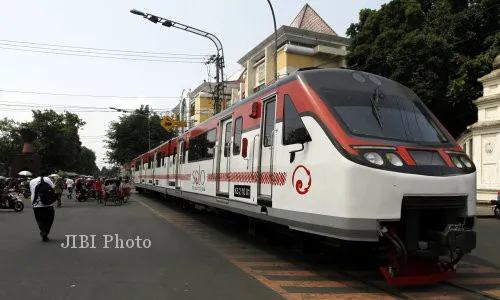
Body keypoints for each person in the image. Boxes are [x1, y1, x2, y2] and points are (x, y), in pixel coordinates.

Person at [30, 173, 56, 242]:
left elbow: (31, 191)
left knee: (39, 219)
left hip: (36, 204)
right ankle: (45, 232)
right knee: (50, 219)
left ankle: (43, 231)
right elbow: (53, 188)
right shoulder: (47, 179)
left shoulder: (31, 181)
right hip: (47, 203)